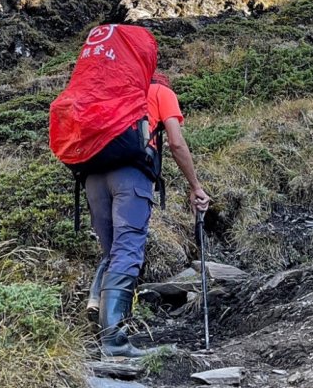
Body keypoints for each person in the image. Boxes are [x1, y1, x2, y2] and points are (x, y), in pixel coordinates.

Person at [50, 25, 210, 358]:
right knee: (128, 251)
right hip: (130, 177)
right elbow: (177, 144)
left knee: (111, 254)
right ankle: (114, 340)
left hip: (92, 176)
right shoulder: (159, 92)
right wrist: (195, 186)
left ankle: (99, 319)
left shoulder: (110, 92)